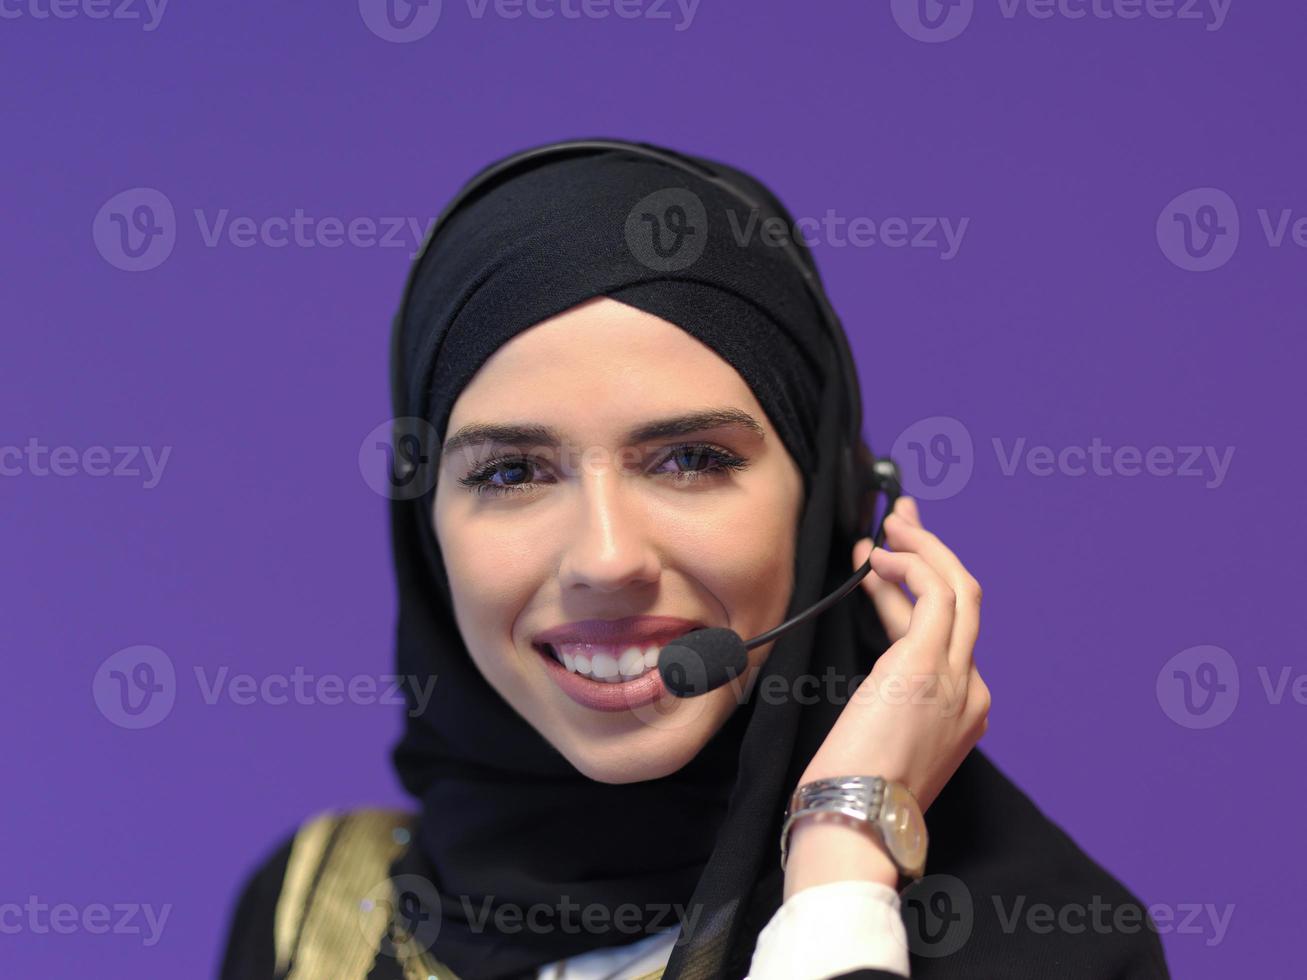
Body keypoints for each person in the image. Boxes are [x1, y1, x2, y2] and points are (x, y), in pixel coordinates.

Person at [219, 138, 1171, 979]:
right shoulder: (310, 914)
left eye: (690, 460)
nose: (604, 557)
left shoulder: (1050, 949)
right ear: (426, 526)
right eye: (511, 471)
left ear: (829, 500)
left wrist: (840, 862)